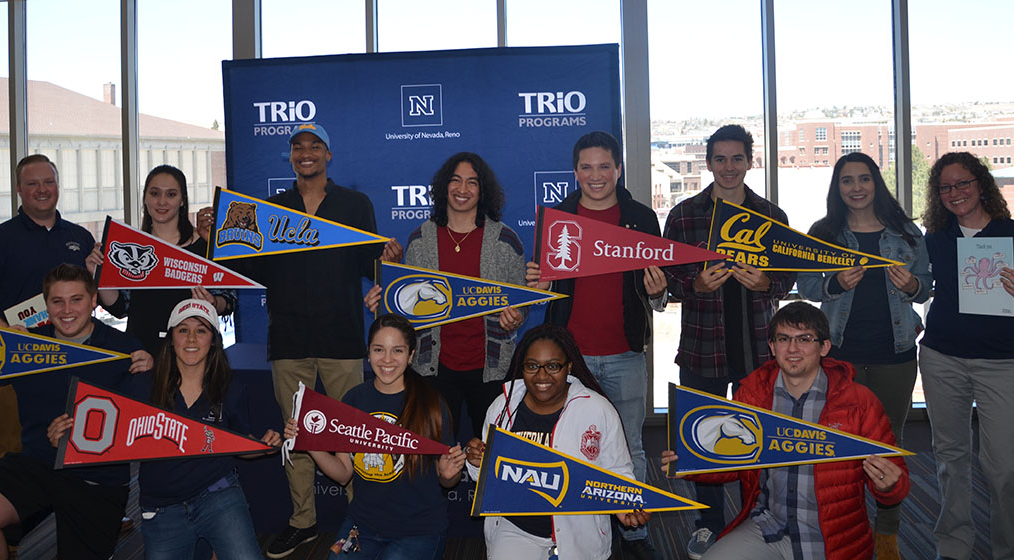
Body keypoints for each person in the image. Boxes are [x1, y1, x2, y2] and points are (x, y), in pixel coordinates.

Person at [194, 124, 401, 559]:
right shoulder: (272, 209)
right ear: (290, 157)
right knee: (297, 435)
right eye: (298, 147)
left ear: (329, 155)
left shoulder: (354, 204)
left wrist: (389, 258)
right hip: (287, 338)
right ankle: (302, 522)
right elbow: (252, 269)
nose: (306, 153)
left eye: (315, 146)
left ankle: (359, 521)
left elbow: (373, 262)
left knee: (351, 433)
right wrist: (216, 236)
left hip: (342, 336)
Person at [661, 302, 910, 560]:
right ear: (772, 347)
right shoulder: (754, 395)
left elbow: (897, 482)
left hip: (832, 539)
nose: (792, 348)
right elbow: (736, 464)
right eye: (783, 339)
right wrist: (690, 463)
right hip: (767, 526)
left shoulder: (858, 402)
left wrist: (890, 485)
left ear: (824, 347)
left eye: (804, 339)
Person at [49, 299, 281, 560]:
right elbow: (103, 428)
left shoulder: (230, 388)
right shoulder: (143, 385)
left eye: (201, 330)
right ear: (171, 339)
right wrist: (66, 434)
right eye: (183, 330)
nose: (191, 338)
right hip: (161, 507)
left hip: (219, 495)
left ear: (214, 340)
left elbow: (239, 443)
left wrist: (262, 447)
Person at [0, 264, 153, 560]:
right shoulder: (26, 345)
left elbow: (141, 424)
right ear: (46, 305)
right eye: (57, 301)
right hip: (36, 463)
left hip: (96, 475)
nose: (67, 310)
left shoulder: (125, 349)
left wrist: (81, 434)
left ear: (94, 299)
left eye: (77, 299)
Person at [525, 130, 665, 557]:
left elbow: (657, 297)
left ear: (618, 169)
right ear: (575, 172)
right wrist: (538, 285)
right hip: (569, 358)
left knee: (631, 446)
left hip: (624, 353)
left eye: (605, 166)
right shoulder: (555, 217)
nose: (596, 175)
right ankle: (573, 532)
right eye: (586, 167)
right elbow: (539, 290)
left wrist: (658, 292)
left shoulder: (641, 217)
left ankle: (634, 533)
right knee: (570, 445)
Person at [662, 124, 796, 558]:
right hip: (703, 345)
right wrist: (693, 284)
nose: (728, 167)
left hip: (759, 347)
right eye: (720, 159)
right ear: (708, 163)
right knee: (704, 438)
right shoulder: (684, 216)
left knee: (757, 438)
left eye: (737, 158)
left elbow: (788, 277)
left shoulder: (772, 216)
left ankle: (759, 516)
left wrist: (767, 283)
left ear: (749, 161)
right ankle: (709, 522)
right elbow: (668, 278)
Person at [796, 152, 930, 559]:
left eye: (864, 179)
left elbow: (926, 288)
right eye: (848, 181)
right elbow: (807, 288)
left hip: (896, 354)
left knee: (891, 442)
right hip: (841, 355)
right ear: (837, 188)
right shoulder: (823, 232)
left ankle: (887, 532)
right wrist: (834, 283)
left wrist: (911, 287)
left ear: (877, 183)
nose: (857, 188)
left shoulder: (906, 233)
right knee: (840, 445)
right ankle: (848, 527)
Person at [919, 152, 1014, 560]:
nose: (955, 193)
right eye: (945, 187)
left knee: (1007, 467)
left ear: (981, 184)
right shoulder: (935, 237)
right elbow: (922, 289)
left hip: (1003, 362)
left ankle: (1012, 551)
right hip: (942, 357)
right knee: (950, 458)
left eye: (963, 184)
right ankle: (954, 545)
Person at [364, 152, 526, 440]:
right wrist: (383, 303)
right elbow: (407, 307)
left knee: (493, 454)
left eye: (472, 182)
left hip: (492, 367)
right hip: (433, 367)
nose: (463, 189)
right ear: (443, 186)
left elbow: (520, 299)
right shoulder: (420, 240)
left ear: (482, 190)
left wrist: (516, 317)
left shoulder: (505, 239)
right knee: (433, 452)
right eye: (456, 180)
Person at [283, 314, 466, 560]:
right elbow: (344, 472)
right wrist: (310, 442)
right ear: (368, 353)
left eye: (397, 350)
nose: (387, 359)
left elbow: (447, 480)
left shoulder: (431, 404)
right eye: (379, 349)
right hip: (362, 526)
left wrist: (448, 476)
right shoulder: (354, 400)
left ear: (411, 355)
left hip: (418, 530)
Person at [464, 324, 650, 560]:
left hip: (578, 530)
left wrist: (624, 503)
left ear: (569, 367)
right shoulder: (503, 407)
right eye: (532, 366)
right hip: (516, 528)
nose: (542, 376)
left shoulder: (597, 409)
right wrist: (476, 462)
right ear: (522, 368)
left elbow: (619, 471)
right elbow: (487, 479)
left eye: (553, 366)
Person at [0, 154, 97, 458]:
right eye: (32, 183)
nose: (42, 189)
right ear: (19, 189)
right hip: (22, 359)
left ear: (58, 186)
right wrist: (8, 336)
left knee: (77, 440)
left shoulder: (80, 236)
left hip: (74, 356)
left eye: (48, 181)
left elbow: (92, 296)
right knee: (17, 450)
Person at [96, 164, 237, 356]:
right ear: (145, 198)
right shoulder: (130, 248)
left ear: (182, 201)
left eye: (171, 194)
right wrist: (100, 272)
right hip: (143, 353)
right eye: (155, 193)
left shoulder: (204, 244)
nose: (162, 201)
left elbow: (229, 300)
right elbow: (121, 308)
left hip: (193, 355)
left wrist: (213, 302)